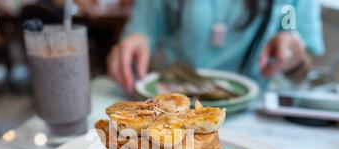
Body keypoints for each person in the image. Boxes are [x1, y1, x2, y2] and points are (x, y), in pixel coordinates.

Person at [107, 0, 325, 92]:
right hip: (173, 106)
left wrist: (291, 52)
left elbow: (295, 44)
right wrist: (131, 47)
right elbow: (142, 30)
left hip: (252, 114)